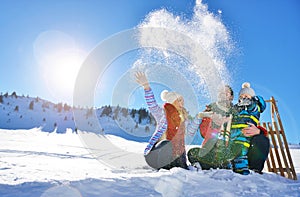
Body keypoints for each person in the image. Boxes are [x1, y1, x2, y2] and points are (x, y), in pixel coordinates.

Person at [188, 83, 270, 174]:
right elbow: (204, 133)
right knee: (195, 152)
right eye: (220, 93)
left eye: (226, 93)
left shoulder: (243, 109)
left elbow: (253, 112)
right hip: (222, 150)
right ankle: (223, 165)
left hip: (243, 144)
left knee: (260, 140)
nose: (223, 95)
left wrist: (259, 131)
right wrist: (213, 121)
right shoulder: (216, 111)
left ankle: (252, 169)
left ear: (231, 97)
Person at [135, 71, 201, 170]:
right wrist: (146, 87)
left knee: (182, 160)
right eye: (179, 100)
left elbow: (191, 132)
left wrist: (199, 117)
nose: (182, 102)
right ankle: (165, 171)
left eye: (182, 100)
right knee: (166, 144)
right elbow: (152, 104)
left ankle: (178, 167)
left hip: (174, 155)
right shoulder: (162, 113)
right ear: (172, 101)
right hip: (156, 154)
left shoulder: (183, 119)